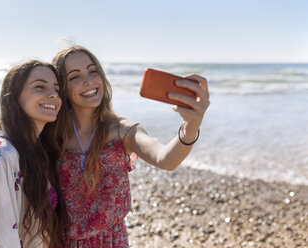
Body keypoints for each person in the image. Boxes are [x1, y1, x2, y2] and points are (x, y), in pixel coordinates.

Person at [52, 45, 210, 247]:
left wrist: (190, 128)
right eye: (74, 76)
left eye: (93, 71)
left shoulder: (123, 130)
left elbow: (165, 159)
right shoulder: (52, 134)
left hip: (111, 242)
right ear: (62, 88)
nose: (89, 81)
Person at [0, 60, 68, 248]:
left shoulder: (38, 151)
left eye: (56, 89)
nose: (53, 94)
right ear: (14, 96)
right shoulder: (0, 156)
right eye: (40, 87)